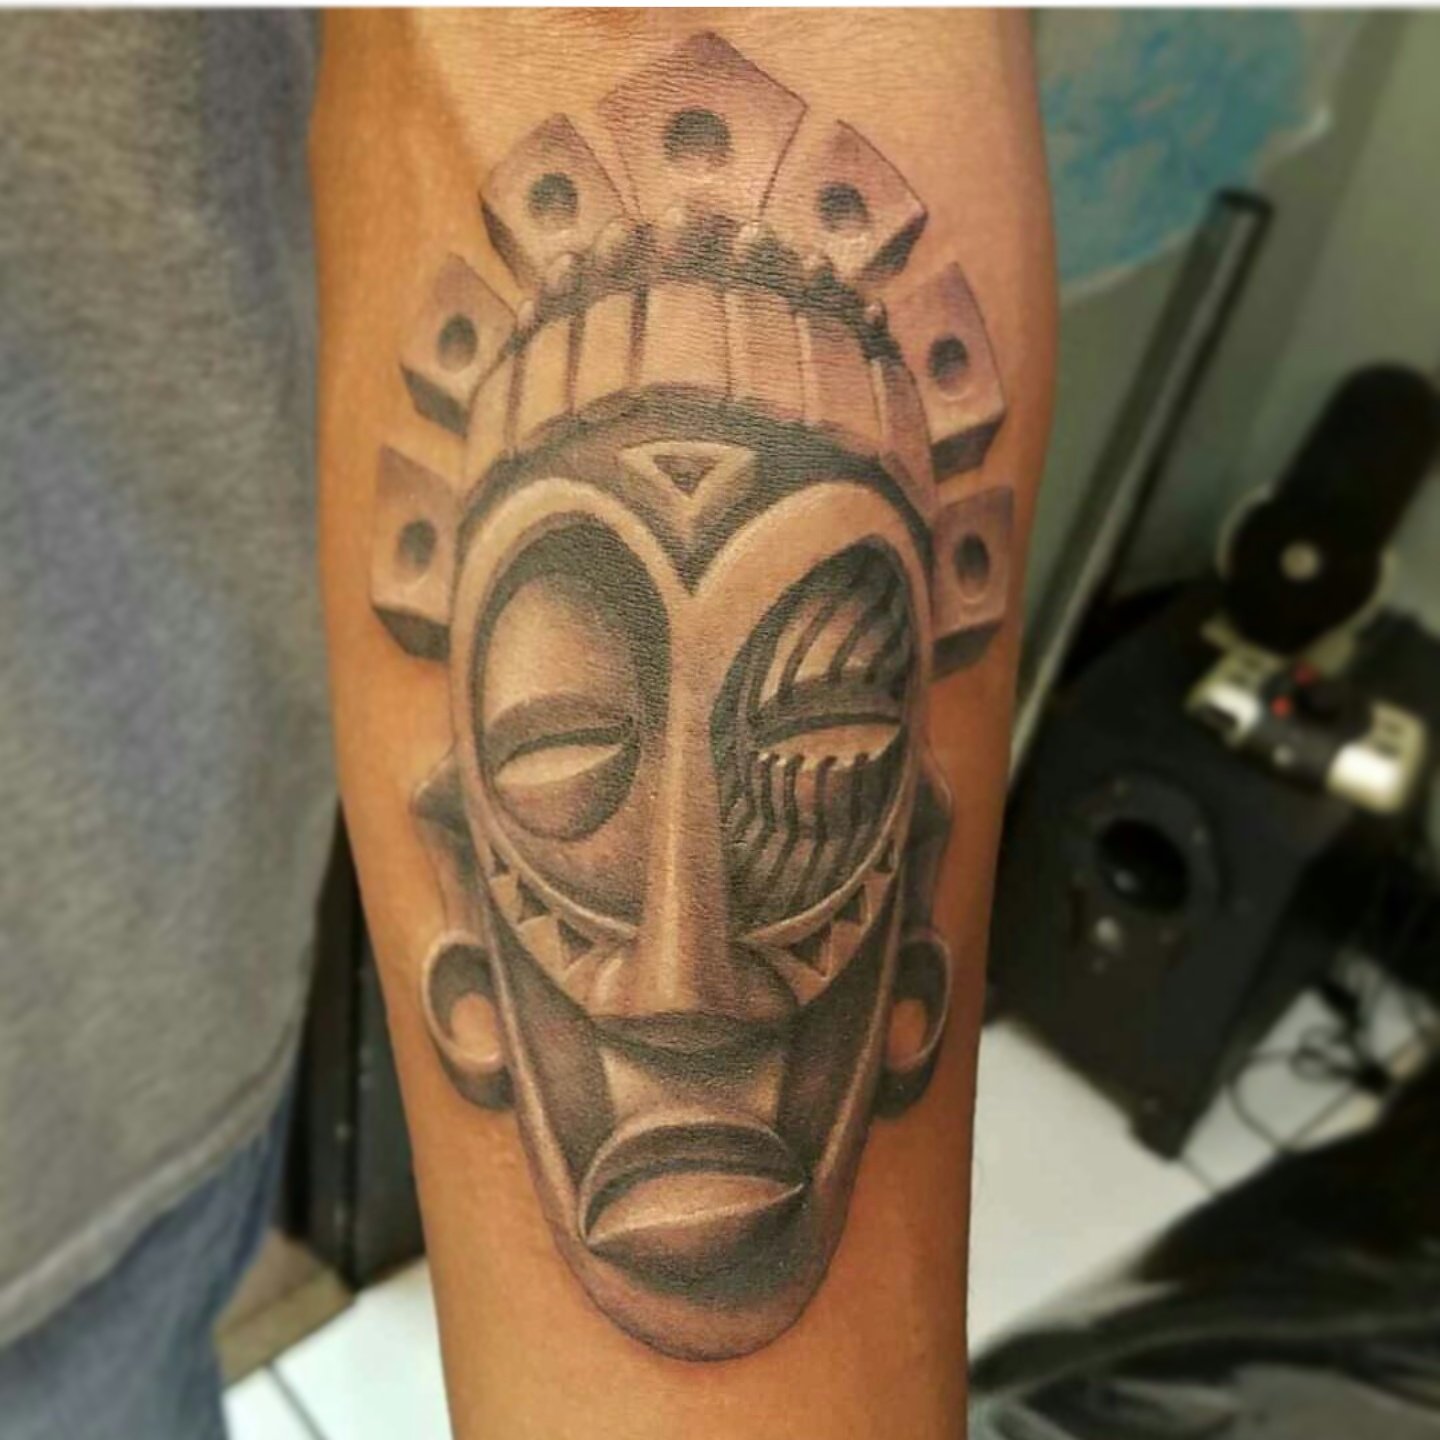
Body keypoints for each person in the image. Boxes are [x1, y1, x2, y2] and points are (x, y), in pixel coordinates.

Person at [0, 10, 1055, 1438]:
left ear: (911, 941)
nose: (685, 982)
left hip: (110, 1107)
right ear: (471, 971)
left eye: (815, 759)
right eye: (570, 759)